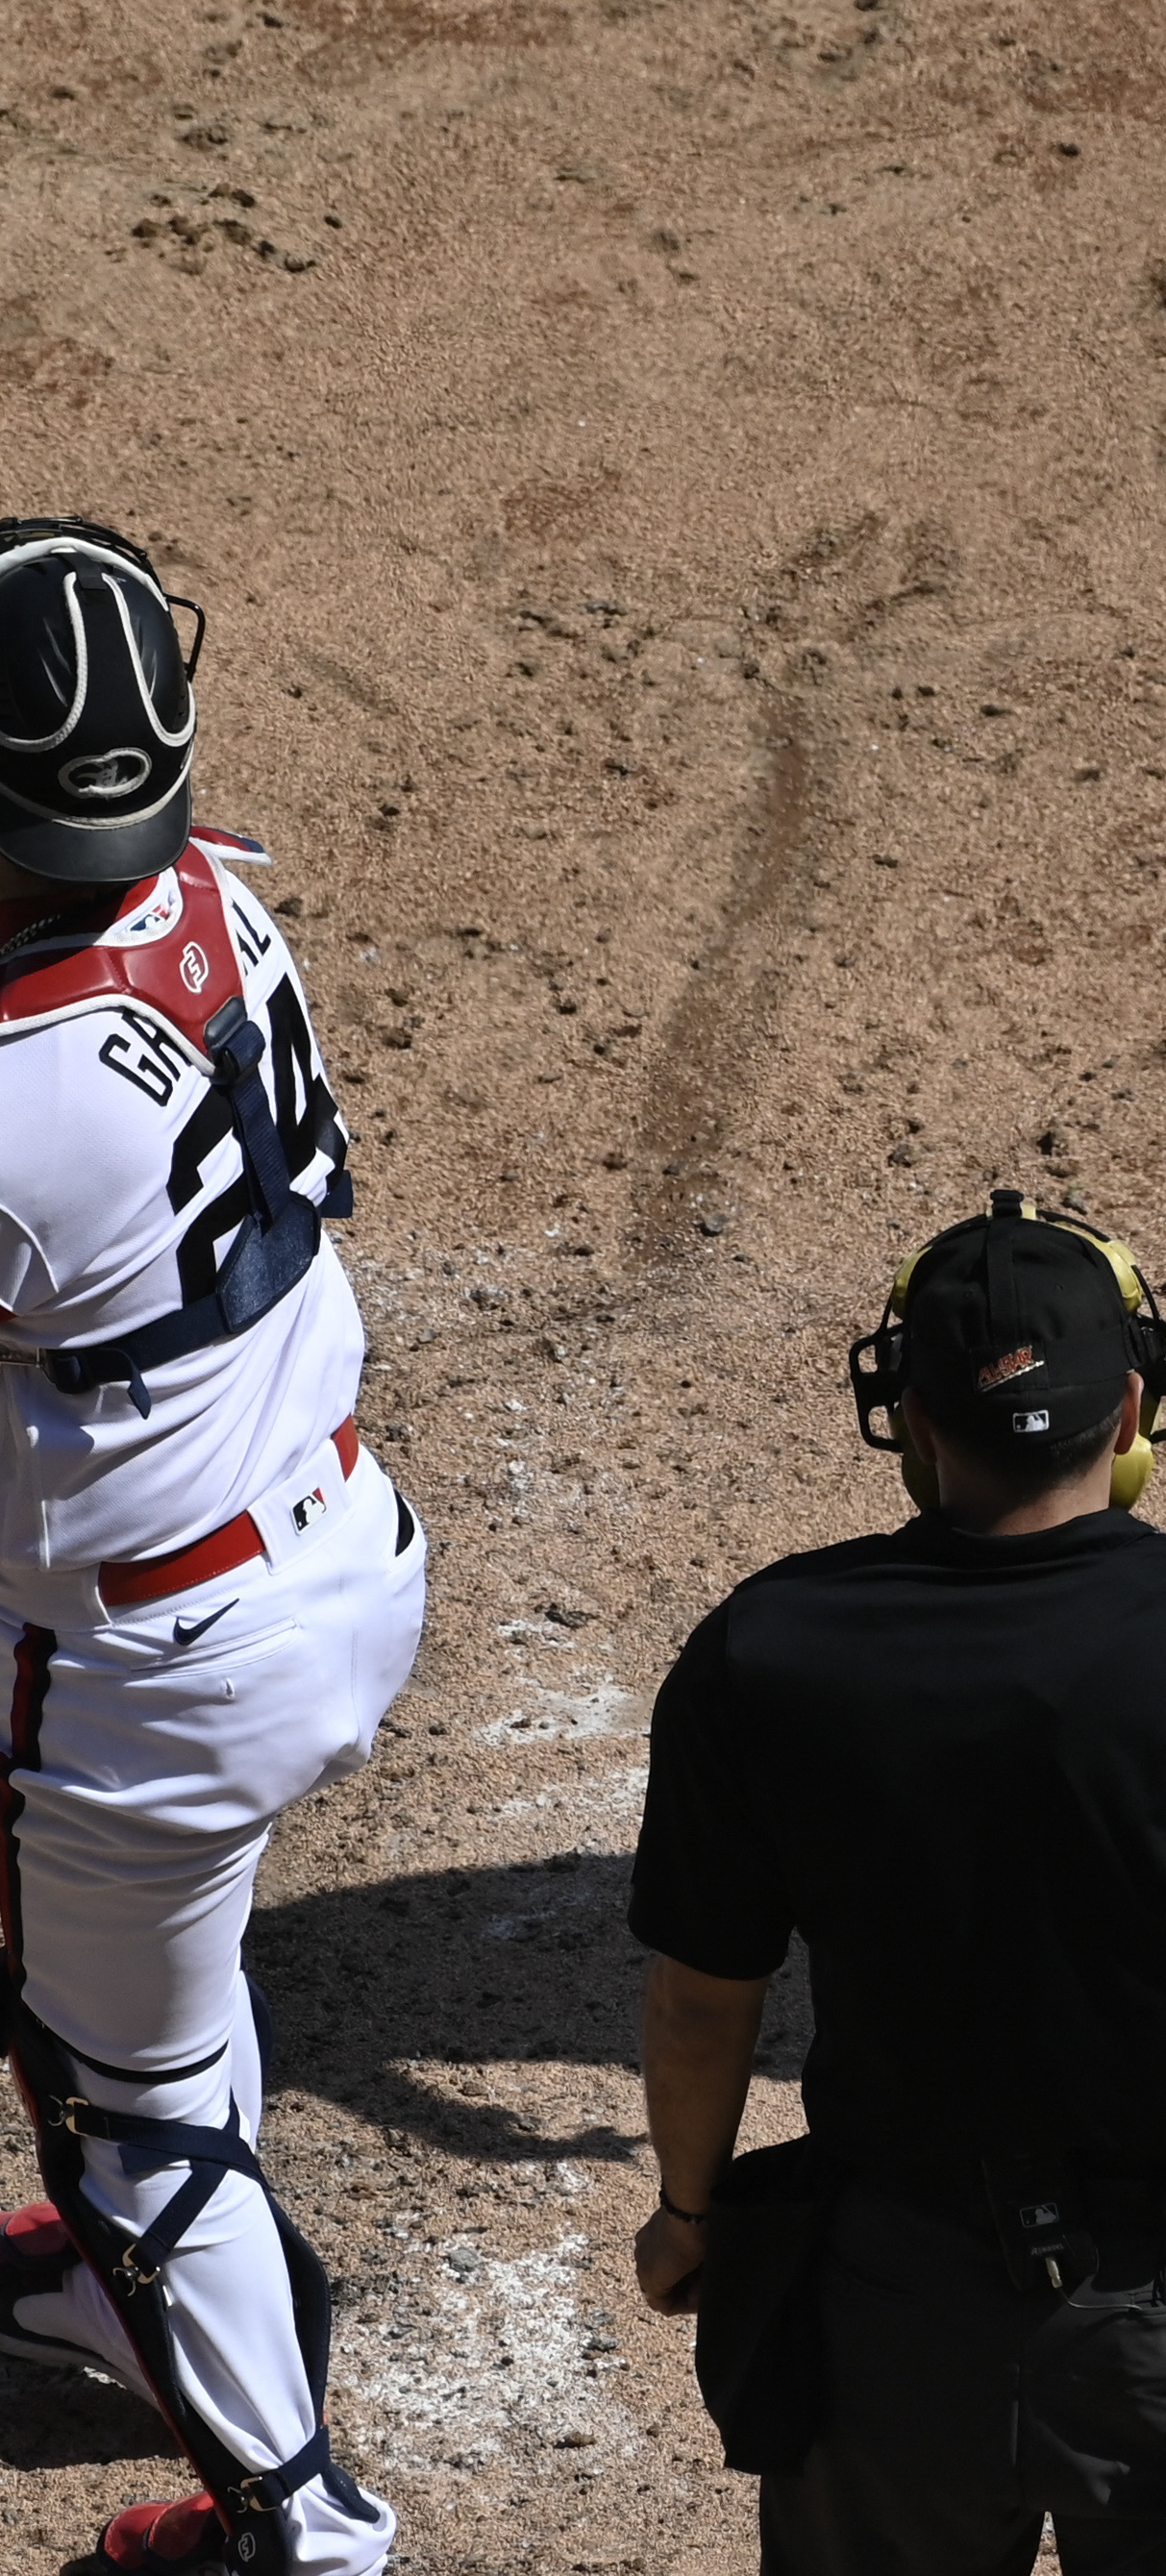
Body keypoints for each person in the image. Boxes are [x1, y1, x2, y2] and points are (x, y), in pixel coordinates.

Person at [625, 1192, 1166, 2576]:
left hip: (887, 2317)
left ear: (915, 1425)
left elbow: (701, 2003)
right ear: (1130, 1423)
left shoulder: (770, 1649)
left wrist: (692, 2216)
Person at [0, 517, 424, 2572]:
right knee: (159, 1985)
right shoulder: (207, 899)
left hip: (153, 1673)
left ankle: (304, 2528)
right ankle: (119, 2280)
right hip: (321, 1548)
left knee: (120, 2094)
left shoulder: (14, 1107)